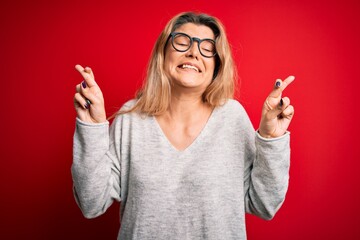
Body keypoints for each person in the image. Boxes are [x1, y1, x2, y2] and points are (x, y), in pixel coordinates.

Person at [72, 11, 295, 240]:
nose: (193, 52)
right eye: (182, 42)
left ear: (217, 65)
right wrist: (93, 127)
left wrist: (270, 139)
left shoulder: (232, 118)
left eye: (207, 48)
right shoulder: (131, 120)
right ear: (164, 52)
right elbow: (91, 203)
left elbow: (264, 205)